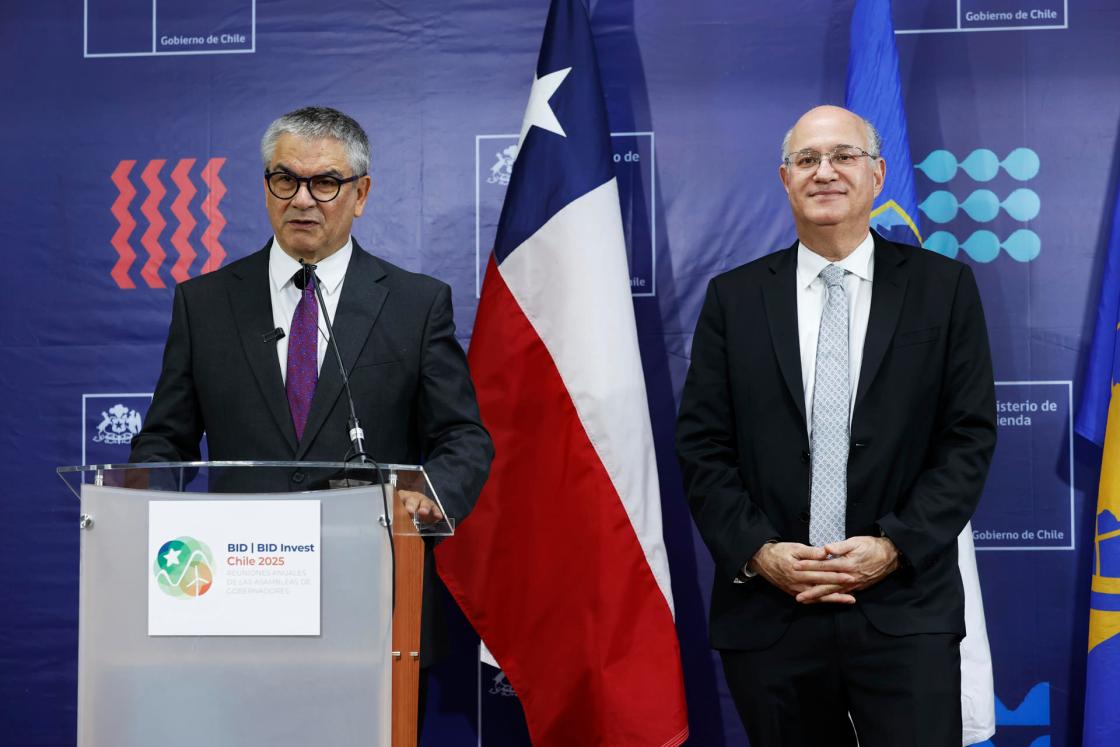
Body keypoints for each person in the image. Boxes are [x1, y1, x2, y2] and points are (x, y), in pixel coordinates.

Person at [676, 105, 996, 746]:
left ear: (877, 175)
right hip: (772, 610)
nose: (825, 172)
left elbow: (967, 437)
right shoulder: (733, 299)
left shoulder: (943, 289)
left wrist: (894, 545)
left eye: (843, 156)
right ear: (785, 179)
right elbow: (703, 445)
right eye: (807, 159)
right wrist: (760, 553)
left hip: (905, 607)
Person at [131, 106, 494, 670]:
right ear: (267, 186)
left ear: (361, 193)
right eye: (285, 179)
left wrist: (432, 494)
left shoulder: (415, 305)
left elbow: (461, 437)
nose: (302, 199)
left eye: (324, 182)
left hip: (372, 591)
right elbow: (163, 443)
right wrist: (139, 517)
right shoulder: (203, 304)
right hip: (233, 593)